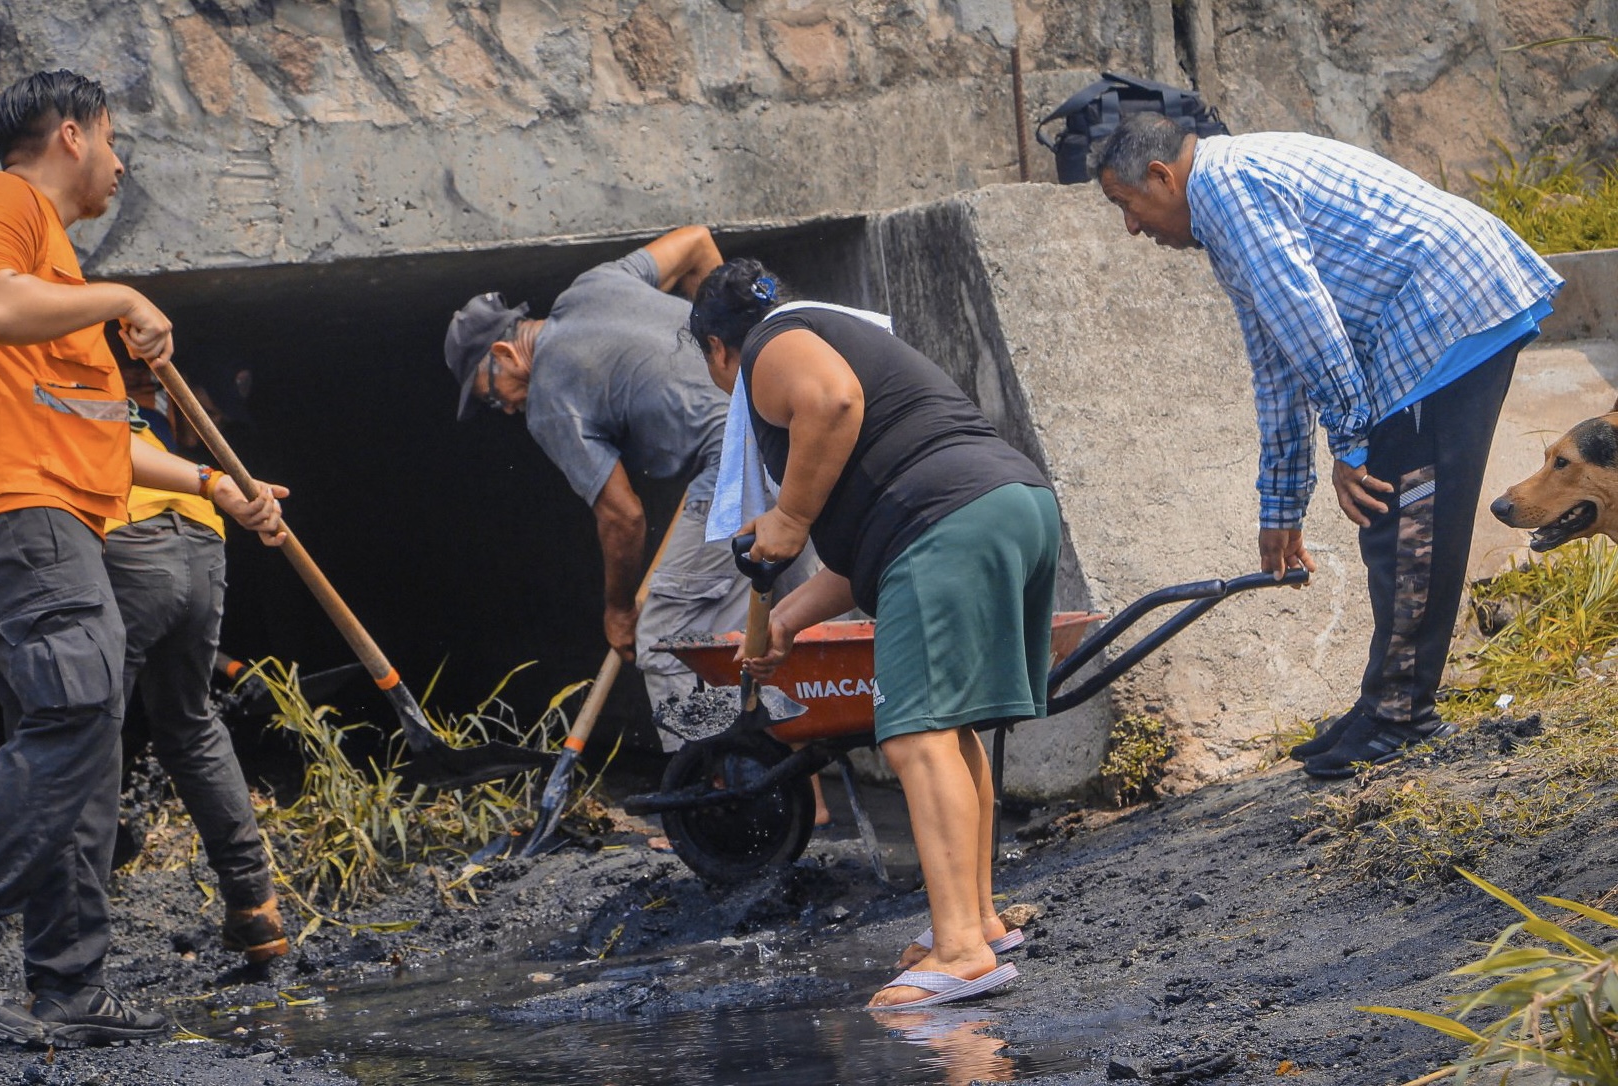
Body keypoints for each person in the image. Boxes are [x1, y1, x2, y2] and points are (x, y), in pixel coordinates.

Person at [0, 69, 288, 1049]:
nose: (120, 164)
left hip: (53, 517)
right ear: (71, 134)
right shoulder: (1, 205)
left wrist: (210, 486)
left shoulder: (60, 275)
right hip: (13, 516)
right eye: (115, 140)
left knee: (76, 737)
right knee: (75, 716)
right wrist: (121, 294)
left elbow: (103, 436)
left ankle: (68, 989)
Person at [1093, 113, 1564, 779]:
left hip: (1445, 311)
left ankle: (1401, 717)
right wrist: (1280, 504)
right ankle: (1385, 704)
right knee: (1395, 519)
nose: (1132, 228)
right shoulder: (1226, 196)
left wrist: (1349, 442)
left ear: (1161, 176)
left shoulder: (1229, 190)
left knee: (1405, 519)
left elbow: (1310, 326)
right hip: (1438, 311)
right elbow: (1278, 361)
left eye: (1126, 205)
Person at [692, 259, 1062, 1009]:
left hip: (947, 520)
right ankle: (978, 923)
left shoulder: (771, 346)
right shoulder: (837, 334)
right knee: (946, 730)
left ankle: (958, 950)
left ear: (715, 351)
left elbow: (830, 402)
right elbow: (870, 552)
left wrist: (789, 518)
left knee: (915, 736)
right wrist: (787, 620)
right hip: (1005, 505)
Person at [442, 228, 827, 809]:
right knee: (787, 626)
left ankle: (717, 811)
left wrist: (619, 609)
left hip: (734, 458)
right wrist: (743, 357)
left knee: (667, 638)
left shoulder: (549, 398)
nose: (505, 409)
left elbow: (622, 515)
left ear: (502, 354)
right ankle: (807, 804)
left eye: (493, 397)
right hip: (789, 427)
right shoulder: (594, 285)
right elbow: (698, 244)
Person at [106, 361, 287, 967]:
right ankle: (256, 910)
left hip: (126, 535)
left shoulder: (93, 392)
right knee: (189, 722)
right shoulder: (142, 407)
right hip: (200, 538)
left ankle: (74, 934)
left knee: (85, 725)